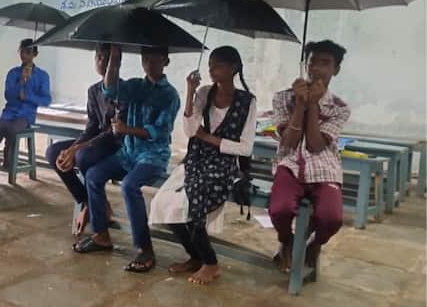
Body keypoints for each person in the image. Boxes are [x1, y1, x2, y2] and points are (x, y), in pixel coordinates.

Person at [149, 46, 256, 285]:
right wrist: (190, 92)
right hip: (196, 159)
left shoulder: (247, 101)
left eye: (217, 65)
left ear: (233, 68)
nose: (211, 69)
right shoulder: (204, 93)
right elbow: (189, 131)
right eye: (210, 64)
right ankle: (196, 256)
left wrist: (211, 139)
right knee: (164, 203)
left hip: (222, 165)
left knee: (193, 200)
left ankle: (211, 262)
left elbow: (246, 147)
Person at [73, 45, 179, 274]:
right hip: (128, 153)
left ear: (166, 61)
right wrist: (115, 58)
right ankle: (101, 235)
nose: (149, 64)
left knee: (130, 186)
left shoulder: (170, 94)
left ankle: (145, 249)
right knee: (92, 175)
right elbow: (110, 89)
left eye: (155, 59)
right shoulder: (135, 86)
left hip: (153, 156)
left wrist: (127, 129)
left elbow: (158, 132)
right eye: (145, 59)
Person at [269, 40, 350, 271]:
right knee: (280, 209)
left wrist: (313, 105)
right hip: (290, 164)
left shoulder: (339, 107)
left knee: (331, 218)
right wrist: (300, 106)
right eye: (312, 62)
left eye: (325, 63)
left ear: (336, 69)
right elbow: (288, 143)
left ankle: (314, 243)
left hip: (325, 169)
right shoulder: (283, 97)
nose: (316, 69)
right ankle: (286, 240)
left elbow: (315, 146)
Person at [46, 43, 122, 235]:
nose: (102, 61)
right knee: (54, 152)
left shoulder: (123, 91)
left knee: (82, 157)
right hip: (96, 142)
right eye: (98, 57)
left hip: (115, 144)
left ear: (117, 63)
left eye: (107, 58)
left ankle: (92, 207)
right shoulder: (93, 91)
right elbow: (91, 127)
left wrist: (77, 149)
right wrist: (72, 147)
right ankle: (87, 200)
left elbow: (113, 132)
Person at [0, 39, 51, 167]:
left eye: (28, 52)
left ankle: (8, 153)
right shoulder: (13, 73)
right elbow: (7, 95)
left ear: (35, 54)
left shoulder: (42, 76)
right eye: (22, 52)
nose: (24, 56)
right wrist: (21, 83)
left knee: (13, 130)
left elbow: (46, 100)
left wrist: (28, 97)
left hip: (26, 115)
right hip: (9, 112)